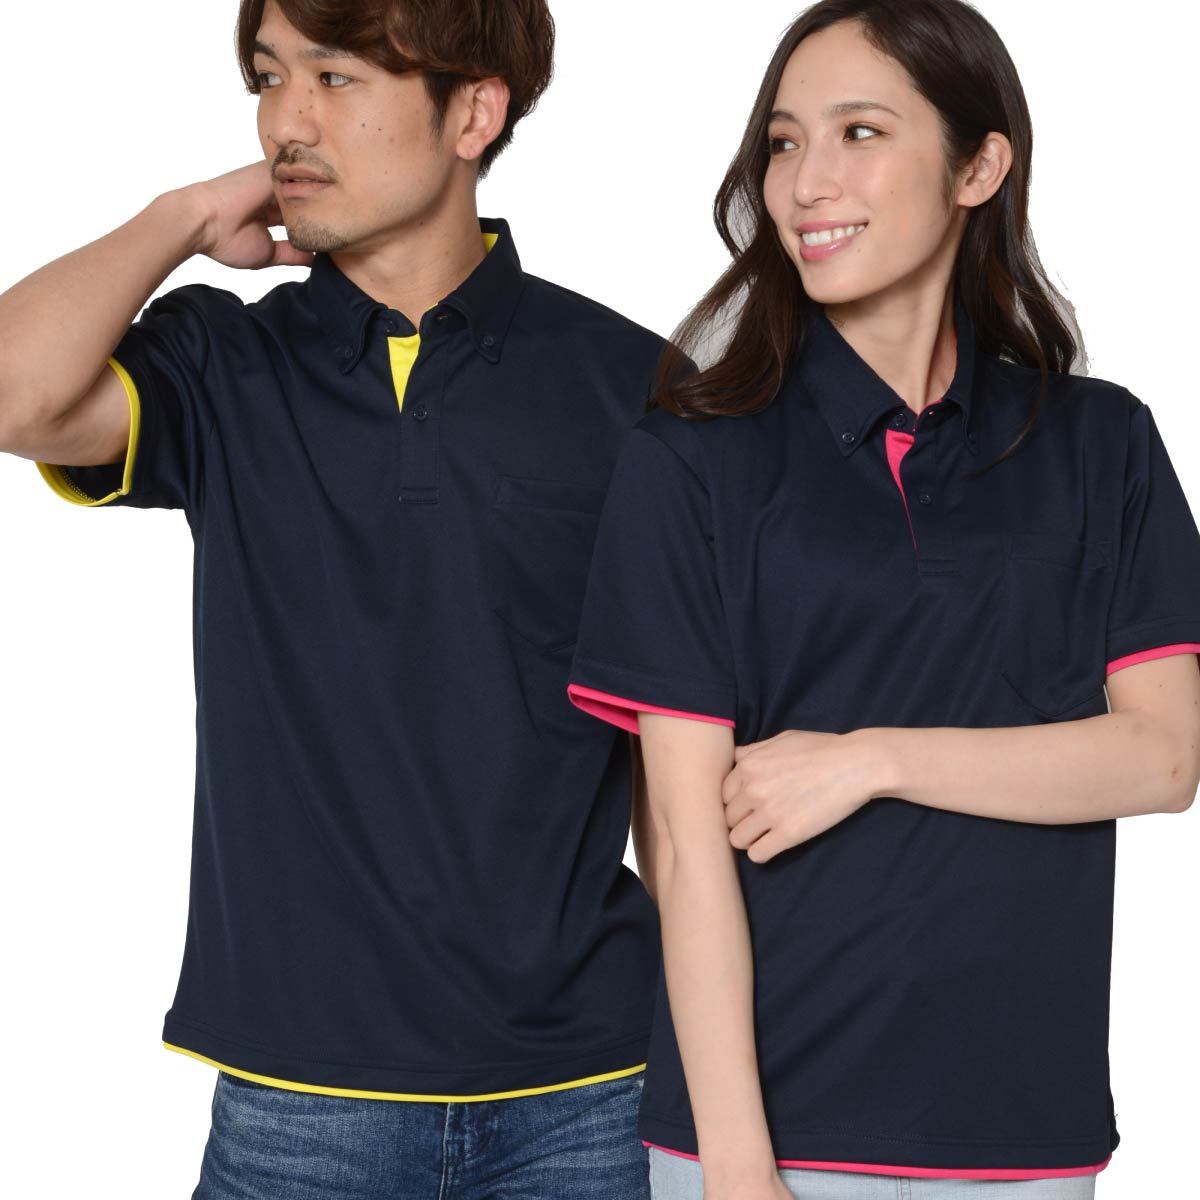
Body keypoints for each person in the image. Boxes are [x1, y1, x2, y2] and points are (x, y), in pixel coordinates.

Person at [0, 1, 666, 1195]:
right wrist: (183, 216)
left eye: (336, 76)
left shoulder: (635, 388)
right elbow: (17, 394)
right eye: (269, 76)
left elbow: (689, 757)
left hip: (591, 1099)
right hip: (298, 1105)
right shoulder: (221, 362)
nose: (285, 122)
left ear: (474, 112)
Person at [565, 1, 1200, 1198]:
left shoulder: (1100, 444)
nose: (807, 182)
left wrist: (873, 761)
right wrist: (736, 1165)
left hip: (1027, 1137)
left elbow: (1164, 760)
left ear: (978, 166)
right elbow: (686, 846)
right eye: (785, 142)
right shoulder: (691, 460)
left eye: (860, 132)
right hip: (769, 1140)